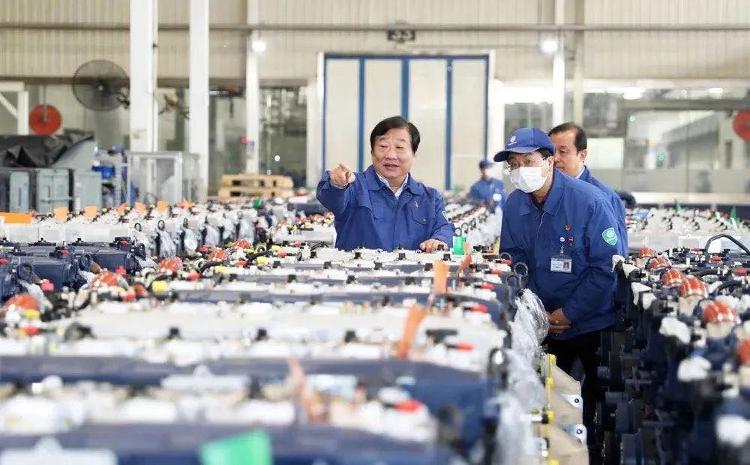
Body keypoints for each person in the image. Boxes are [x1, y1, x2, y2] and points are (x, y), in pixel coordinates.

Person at [496, 127, 621, 464]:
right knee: (547, 405)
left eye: (528, 161)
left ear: (549, 161)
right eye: (513, 164)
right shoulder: (515, 204)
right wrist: (536, 313)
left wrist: (569, 313)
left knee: (589, 406)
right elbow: (513, 261)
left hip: (589, 323)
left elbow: (606, 267)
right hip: (542, 325)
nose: (520, 170)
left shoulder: (589, 201)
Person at [316, 116, 453, 252]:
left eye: (400, 147)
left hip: (412, 267)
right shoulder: (353, 186)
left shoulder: (430, 198)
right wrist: (337, 184)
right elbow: (330, 198)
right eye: (383, 146)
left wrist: (439, 239)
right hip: (357, 267)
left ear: (413, 153)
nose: (391, 155)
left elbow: (445, 228)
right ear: (372, 152)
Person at [548, 122, 629, 255]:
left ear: (582, 155)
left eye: (563, 151)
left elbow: (617, 256)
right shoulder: (543, 194)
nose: (555, 158)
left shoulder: (605, 198)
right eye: (551, 152)